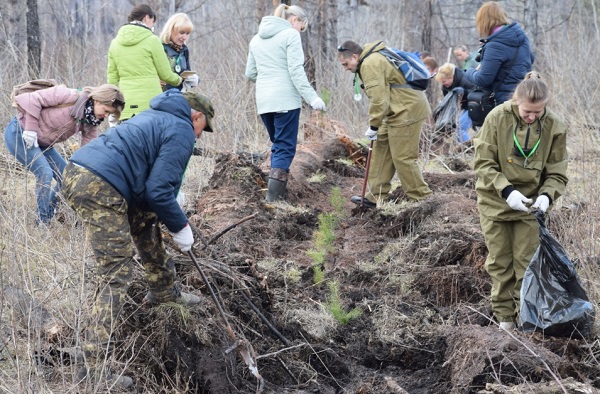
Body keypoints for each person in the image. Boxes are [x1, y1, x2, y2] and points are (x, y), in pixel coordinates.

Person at [62, 89, 215, 387]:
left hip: (81, 172)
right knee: (115, 275)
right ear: (195, 116)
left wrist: (165, 215)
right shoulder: (181, 128)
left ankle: (165, 291)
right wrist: (181, 227)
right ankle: (91, 371)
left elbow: (148, 194)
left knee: (145, 222)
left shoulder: (153, 116)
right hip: (100, 186)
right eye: (202, 128)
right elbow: (159, 191)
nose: (199, 136)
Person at [473, 72, 568, 331]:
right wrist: (507, 192)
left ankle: (525, 319)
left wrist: (547, 196)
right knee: (500, 262)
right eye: (527, 111)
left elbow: (557, 171)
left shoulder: (554, 125)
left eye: (538, 112)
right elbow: (483, 162)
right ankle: (504, 320)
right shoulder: (497, 118)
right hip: (496, 201)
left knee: (525, 264)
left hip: (531, 206)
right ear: (517, 101)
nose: (532, 117)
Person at [3, 83, 124, 225]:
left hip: (42, 143)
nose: (106, 115)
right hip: (20, 133)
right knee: (45, 172)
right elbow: (32, 99)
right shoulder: (69, 95)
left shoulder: (91, 121)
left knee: (67, 177)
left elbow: (88, 149)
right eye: (106, 110)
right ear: (97, 100)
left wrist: (85, 168)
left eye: (109, 114)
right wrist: (30, 128)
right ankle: (42, 223)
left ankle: (48, 213)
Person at [245, 4, 326, 202]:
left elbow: (250, 73)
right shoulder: (290, 35)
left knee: (278, 144)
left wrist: (269, 78)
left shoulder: (256, 39)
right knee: (285, 147)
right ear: (294, 20)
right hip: (285, 101)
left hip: (264, 102)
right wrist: (312, 98)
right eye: (301, 26)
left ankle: (276, 195)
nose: (300, 31)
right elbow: (296, 71)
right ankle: (273, 200)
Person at [337, 40, 432, 209]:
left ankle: (423, 200)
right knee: (381, 147)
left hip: (407, 109)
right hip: (396, 110)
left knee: (403, 157)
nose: (345, 68)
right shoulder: (370, 59)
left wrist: (373, 125)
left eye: (346, 63)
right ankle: (374, 196)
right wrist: (376, 127)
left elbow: (379, 101)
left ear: (354, 56)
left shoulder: (369, 64)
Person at [107, 4, 194, 121]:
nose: (152, 27)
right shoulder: (153, 40)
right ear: (147, 17)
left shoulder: (115, 43)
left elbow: (112, 79)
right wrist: (179, 80)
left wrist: (115, 103)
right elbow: (165, 74)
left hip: (126, 105)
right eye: (153, 22)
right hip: (150, 104)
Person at [465, 1, 534, 105]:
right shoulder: (521, 36)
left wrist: (469, 71)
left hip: (505, 101)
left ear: (483, 21)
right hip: (526, 96)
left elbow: (483, 80)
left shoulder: (494, 45)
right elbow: (530, 59)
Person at [435, 63, 476, 143]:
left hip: (475, 105)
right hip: (466, 107)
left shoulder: (465, 79)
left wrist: (464, 92)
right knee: (458, 129)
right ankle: (463, 150)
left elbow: (475, 93)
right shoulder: (446, 87)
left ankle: (468, 151)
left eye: (444, 81)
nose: (443, 84)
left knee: (460, 128)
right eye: (441, 82)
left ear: (451, 77)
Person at [160, 12, 198, 91]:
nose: (184, 37)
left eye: (187, 34)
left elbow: (187, 71)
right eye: (182, 33)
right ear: (171, 30)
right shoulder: (160, 47)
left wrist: (193, 79)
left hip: (180, 93)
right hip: (162, 95)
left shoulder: (184, 50)